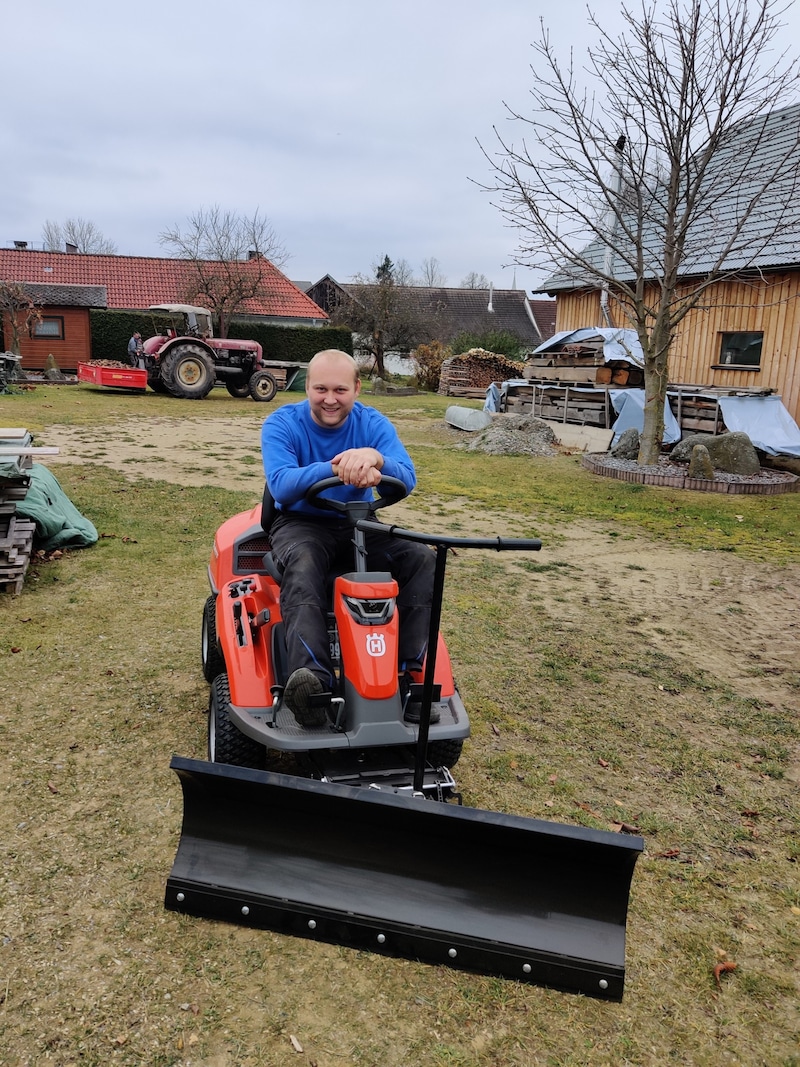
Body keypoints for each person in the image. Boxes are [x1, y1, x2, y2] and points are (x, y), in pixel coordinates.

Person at [261, 349, 436, 729]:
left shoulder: (373, 425)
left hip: (358, 521)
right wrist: (339, 467)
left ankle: (409, 676)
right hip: (299, 522)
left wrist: (375, 458)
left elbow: (406, 475)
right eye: (320, 388)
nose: (329, 398)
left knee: (422, 558)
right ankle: (312, 685)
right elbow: (281, 483)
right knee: (304, 563)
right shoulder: (281, 424)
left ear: (357, 388)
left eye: (340, 389)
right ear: (306, 386)